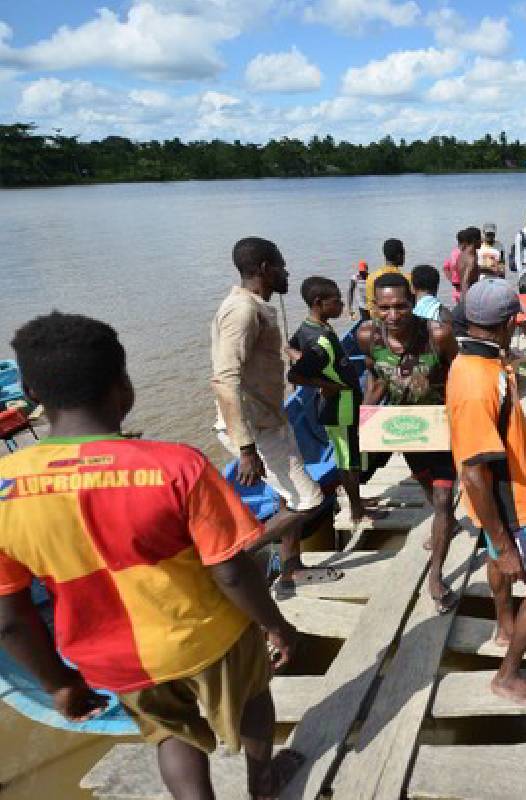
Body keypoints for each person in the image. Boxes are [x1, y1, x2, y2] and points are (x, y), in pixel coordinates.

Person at [0, 312, 303, 799]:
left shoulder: (4, 488)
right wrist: (275, 625)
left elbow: (11, 620)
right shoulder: (175, 465)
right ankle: (262, 781)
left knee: (169, 733)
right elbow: (229, 570)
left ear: (31, 395)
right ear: (123, 385)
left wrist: (59, 684)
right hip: (207, 637)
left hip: (114, 660)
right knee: (251, 697)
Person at [447, 278, 526, 706]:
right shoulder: (478, 383)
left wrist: (518, 362)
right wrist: (502, 539)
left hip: (503, 494)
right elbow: (474, 473)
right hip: (513, 504)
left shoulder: (477, 358)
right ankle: (508, 674)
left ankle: (505, 625)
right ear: (509, 322)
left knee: (500, 563)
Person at [211, 237, 342, 590]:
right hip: (254, 429)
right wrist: (245, 449)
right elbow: (225, 379)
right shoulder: (242, 311)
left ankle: (291, 567)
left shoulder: (256, 306)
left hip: (272, 419)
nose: (287, 273)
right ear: (265, 269)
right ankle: (232, 562)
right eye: (282, 266)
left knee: (288, 496)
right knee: (310, 501)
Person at [357, 273, 460, 612]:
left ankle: (436, 575)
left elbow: (459, 375)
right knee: (429, 488)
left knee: (444, 498)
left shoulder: (437, 334)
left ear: (413, 304)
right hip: (406, 429)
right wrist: (368, 413)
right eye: (384, 308)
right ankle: (446, 523)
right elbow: (375, 375)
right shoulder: (368, 337)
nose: (393, 315)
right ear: (375, 308)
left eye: (401, 306)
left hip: (440, 427)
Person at [286, 277, 381, 531]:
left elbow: (291, 347)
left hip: (345, 402)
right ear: (319, 303)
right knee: (347, 460)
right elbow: (294, 375)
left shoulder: (310, 327)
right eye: (336, 301)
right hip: (340, 406)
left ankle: (357, 499)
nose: (341, 305)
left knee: (350, 454)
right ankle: (357, 510)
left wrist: (317, 372)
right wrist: (326, 384)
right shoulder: (320, 340)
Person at [365, 238, 406, 321]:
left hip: (377, 322)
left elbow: (370, 306)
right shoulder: (405, 278)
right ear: (399, 255)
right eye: (404, 254)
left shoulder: (371, 277)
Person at [456, 226, 483, 295]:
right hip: (470, 296)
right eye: (480, 238)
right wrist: (467, 301)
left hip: (463, 294)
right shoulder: (471, 259)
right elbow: (465, 281)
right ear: (474, 240)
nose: (482, 241)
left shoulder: (461, 254)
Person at [443, 231, 464, 304]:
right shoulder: (465, 254)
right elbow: (445, 267)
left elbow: (445, 267)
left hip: (457, 286)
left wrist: (451, 279)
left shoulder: (454, 252)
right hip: (462, 287)